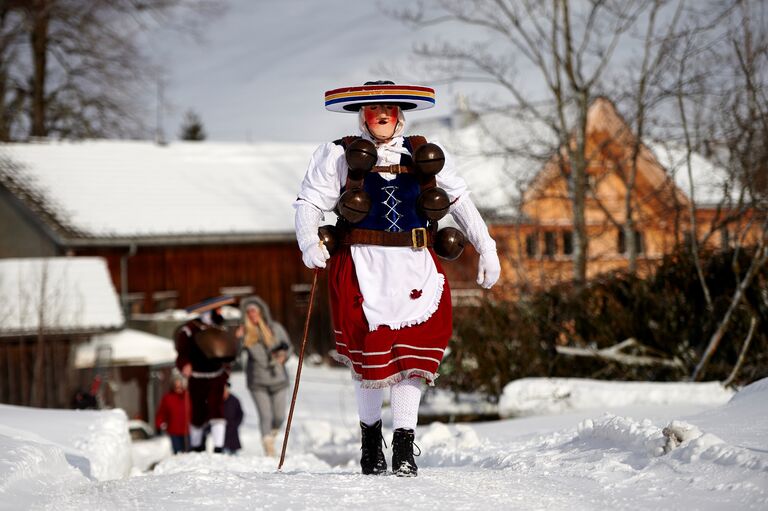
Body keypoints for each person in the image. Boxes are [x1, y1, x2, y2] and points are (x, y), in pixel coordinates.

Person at [293, 81, 500, 476]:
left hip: (415, 264)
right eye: (373, 109)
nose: (382, 114)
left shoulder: (423, 153)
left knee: (413, 358)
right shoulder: (338, 153)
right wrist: (308, 239)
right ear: (362, 115)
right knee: (368, 359)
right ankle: (371, 445)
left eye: (389, 107)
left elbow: (459, 200)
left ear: (401, 113)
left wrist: (486, 247)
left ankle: (404, 445)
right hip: (361, 266)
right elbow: (309, 202)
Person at [174, 295, 236, 453]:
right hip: (196, 377)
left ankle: (218, 447)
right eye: (218, 310)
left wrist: (226, 379)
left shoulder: (220, 329)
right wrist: (185, 365)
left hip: (217, 377)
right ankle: (196, 446)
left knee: (217, 410)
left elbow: (227, 357)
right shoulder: (189, 330)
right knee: (197, 412)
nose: (221, 313)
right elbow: (181, 354)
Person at [238, 295, 293, 457]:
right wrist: (238, 339)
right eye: (249, 313)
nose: (252, 315)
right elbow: (235, 355)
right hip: (257, 381)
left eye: (254, 311)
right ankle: (268, 448)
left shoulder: (275, 328)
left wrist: (283, 356)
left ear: (261, 312)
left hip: (278, 379)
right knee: (265, 415)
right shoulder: (245, 333)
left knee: (279, 416)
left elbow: (288, 347)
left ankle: (271, 435)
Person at [154, 370, 191, 454]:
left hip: (188, 431)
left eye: (180, 386)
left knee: (189, 453)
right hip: (174, 431)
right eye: (176, 386)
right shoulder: (168, 398)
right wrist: (159, 424)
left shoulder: (188, 397)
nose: (178, 388)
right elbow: (162, 412)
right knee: (178, 453)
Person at [222, 382, 244, 455]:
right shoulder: (216, 399)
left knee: (234, 451)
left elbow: (240, 413)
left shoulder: (234, 400)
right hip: (222, 428)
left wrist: (236, 423)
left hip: (232, 428)